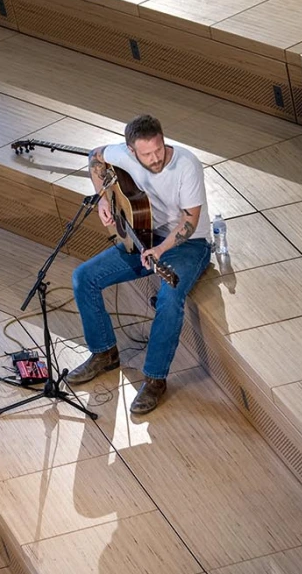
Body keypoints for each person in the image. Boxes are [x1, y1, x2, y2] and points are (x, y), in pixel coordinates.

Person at [68, 115, 213, 414]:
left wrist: (161, 249)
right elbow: (94, 156)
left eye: (159, 149)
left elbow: (190, 220)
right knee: (84, 277)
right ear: (131, 151)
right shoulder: (121, 153)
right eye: (147, 154)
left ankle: (155, 380)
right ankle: (104, 353)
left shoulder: (186, 165)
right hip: (142, 233)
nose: (156, 158)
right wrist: (104, 201)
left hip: (188, 244)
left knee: (170, 296)